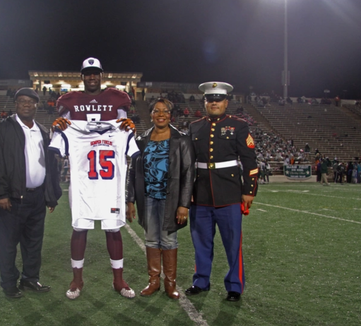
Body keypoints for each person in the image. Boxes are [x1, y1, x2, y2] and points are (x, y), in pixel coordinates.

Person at [51, 57, 137, 300]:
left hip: (110, 188)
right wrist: (56, 130)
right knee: (79, 229)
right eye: (87, 73)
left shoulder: (117, 102)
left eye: (95, 73)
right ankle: (77, 279)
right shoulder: (70, 102)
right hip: (83, 186)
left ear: (101, 75)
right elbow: (55, 146)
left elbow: (127, 131)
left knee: (113, 230)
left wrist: (129, 130)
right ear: (82, 76)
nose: (92, 77)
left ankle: (118, 280)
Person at [0, 88, 62, 299]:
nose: (26, 105)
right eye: (22, 101)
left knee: (34, 242)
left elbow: (51, 167)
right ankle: (9, 282)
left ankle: (30, 278)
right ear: (16, 105)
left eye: (30, 102)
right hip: (11, 198)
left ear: (37, 105)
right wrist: (0, 194)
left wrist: (51, 195)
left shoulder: (42, 131)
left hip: (37, 197)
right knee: (8, 243)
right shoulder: (3, 129)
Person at [185, 82, 258, 302]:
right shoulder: (195, 127)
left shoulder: (239, 125)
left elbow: (249, 160)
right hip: (201, 194)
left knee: (233, 243)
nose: (214, 103)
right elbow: (188, 163)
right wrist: (186, 191)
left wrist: (249, 190)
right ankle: (201, 280)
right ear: (205, 103)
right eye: (210, 100)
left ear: (226, 102)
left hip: (229, 193)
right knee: (201, 242)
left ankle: (234, 286)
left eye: (218, 100)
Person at [126, 98, 195, 299]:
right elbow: (133, 170)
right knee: (150, 238)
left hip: (170, 200)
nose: (161, 114)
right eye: (157, 111)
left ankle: (170, 283)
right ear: (151, 114)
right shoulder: (142, 140)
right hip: (147, 198)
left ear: (170, 115)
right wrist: (130, 199)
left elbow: (188, 173)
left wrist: (184, 204)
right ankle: (153, 281)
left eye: (165, 111)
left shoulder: (182, 139)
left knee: (168, 239)